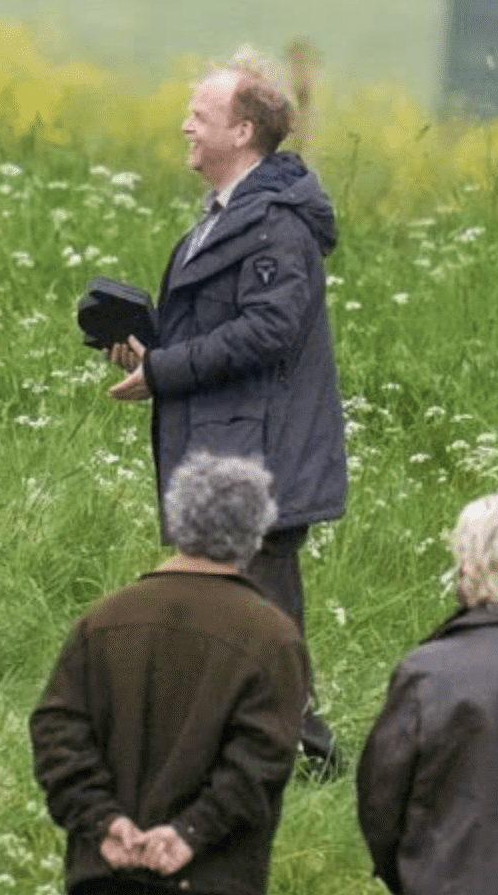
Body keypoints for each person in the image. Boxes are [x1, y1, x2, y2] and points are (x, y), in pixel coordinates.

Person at [105, 49, 346, 769]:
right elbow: (222, 323)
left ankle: (305, 753)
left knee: (261, 612)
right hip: (229, 447)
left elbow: (269, 331)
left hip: (260, 458)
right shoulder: (223, 219)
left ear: (242, 132)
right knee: (238, 609)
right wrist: (150, 349)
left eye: (200, 115)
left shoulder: (276, 226)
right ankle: (262, 746)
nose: (186, 126)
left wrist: (165, 371)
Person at [30, 452, 311, 895]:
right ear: (257, 532)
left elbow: (57, 730)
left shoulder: (104, 619)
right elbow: (262, 758)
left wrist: (103, 822)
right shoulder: (271, 637)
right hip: (213, 876)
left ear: (176, 519)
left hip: (104, 874)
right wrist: (190, 833)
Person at [356, 493, 498, 894]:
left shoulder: (429, 674)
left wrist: (408, 874)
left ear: (469, 566)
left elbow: (382, 799)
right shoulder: (428, 674)